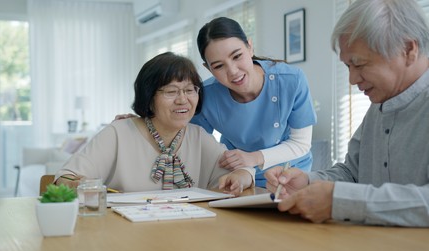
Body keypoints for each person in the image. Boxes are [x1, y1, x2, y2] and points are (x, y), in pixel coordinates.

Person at [265, 0, 429, 227]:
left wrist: (342, 202)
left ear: (408, 50)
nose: (352, 80)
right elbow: (353, 173)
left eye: (359, 64)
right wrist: (307, 181)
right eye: (348, 67)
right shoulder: (380, 104)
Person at [115, 17, 317, 187]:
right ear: (208, 68)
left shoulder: (291, 80)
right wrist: (143, 122)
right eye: (219, 66)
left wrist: (254, 157)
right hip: (239, 179)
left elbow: (300, 144)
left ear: (249, 46)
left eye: (237, 56)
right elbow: (182, 135)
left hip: (290, 178)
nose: (233, 71)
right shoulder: (208, 94)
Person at [55, 52, 254, 196]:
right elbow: (66, 178)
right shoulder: (119, 132)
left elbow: (240, 171)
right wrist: (87, 185)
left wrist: (241, 177)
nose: (183, 100)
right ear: (149, 97)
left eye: (190, 90)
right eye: (171, 91)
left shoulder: (198, 136)